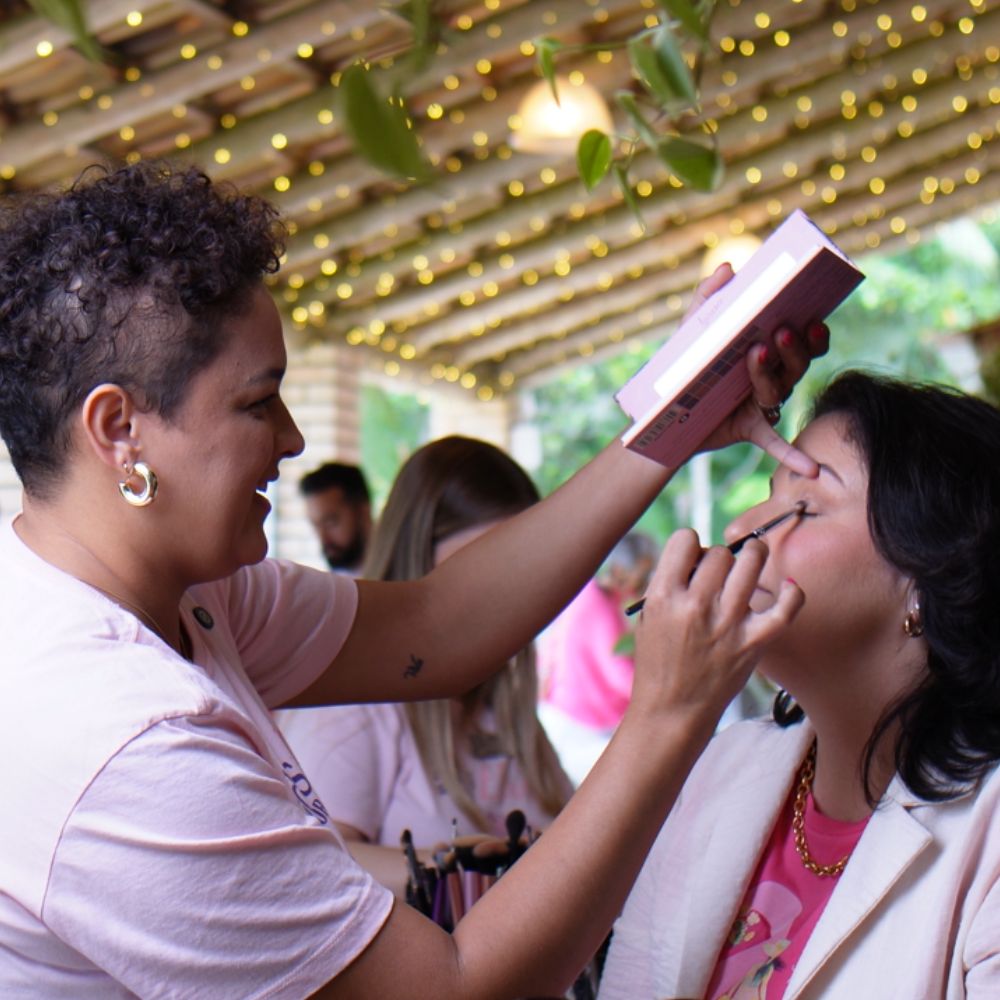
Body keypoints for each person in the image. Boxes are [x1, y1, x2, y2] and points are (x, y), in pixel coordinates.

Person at [0, 160, 825, 998]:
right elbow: (451, 989)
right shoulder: (121, 744)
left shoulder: (172, 595)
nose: (293, 441)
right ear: (118, 429)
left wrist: (676, 416)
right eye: (258, 403)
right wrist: (671, 711)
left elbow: (439, 627)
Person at [598, 371, 1000, 1000]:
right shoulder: (725, 767)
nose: (738, 531)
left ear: (928, 583)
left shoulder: (990, 832)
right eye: (769, 492)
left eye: (805, 508)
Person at [277, 436, 573, 897]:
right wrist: (451, 870)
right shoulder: (355, 703)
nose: (509, 592)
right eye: (483, 563)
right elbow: (312, 864)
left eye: (523, 566)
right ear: (417, 560)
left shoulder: (502, 702)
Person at [538, 531, 658, 785]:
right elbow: (623, 677)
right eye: (644, 572)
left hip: (571, 721)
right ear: (621, 569)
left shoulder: (591, 595)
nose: (646, 581)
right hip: (580, 729)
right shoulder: (598, 607)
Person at [299, 461, 372, 573]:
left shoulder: (401, 564)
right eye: (316, 526)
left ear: (362, 510)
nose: (323, 538)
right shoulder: (333, 582)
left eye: (330, 523)